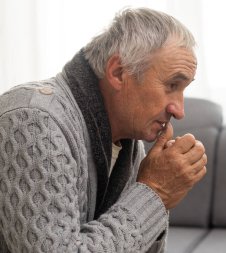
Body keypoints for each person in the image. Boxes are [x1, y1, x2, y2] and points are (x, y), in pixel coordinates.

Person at [0, 7, 207, 252]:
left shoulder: (129, 144)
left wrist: (156, 197)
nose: (179, 110)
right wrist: (156, 193)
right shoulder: (33, 123)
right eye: (172, 84)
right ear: (118, 72)